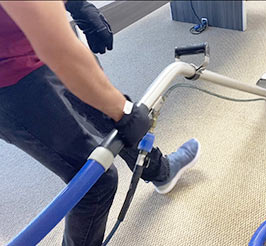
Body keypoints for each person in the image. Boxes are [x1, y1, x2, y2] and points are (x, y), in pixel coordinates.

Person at [0, 1, 200, 245]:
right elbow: (57, 47)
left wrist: (75, 4)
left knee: (107, 114)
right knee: (93, 182)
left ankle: (160, 172)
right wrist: (124, 111)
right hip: (10, 82)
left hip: (38, 41)